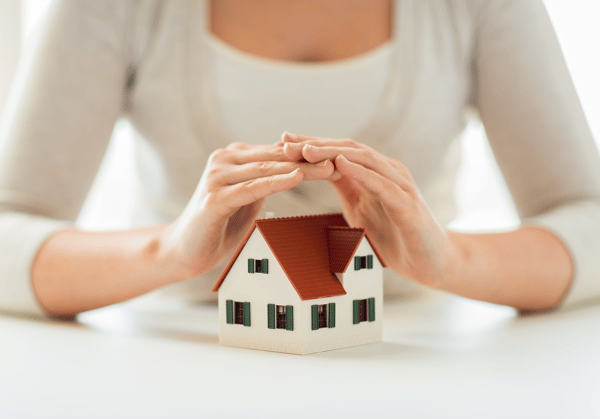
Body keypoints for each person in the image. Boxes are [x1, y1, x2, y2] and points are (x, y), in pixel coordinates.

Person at [1, 0, 599, 318]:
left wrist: (452, 258)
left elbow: (587, 216)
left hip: (421, 356)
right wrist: (167, 251)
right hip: (173, 352)